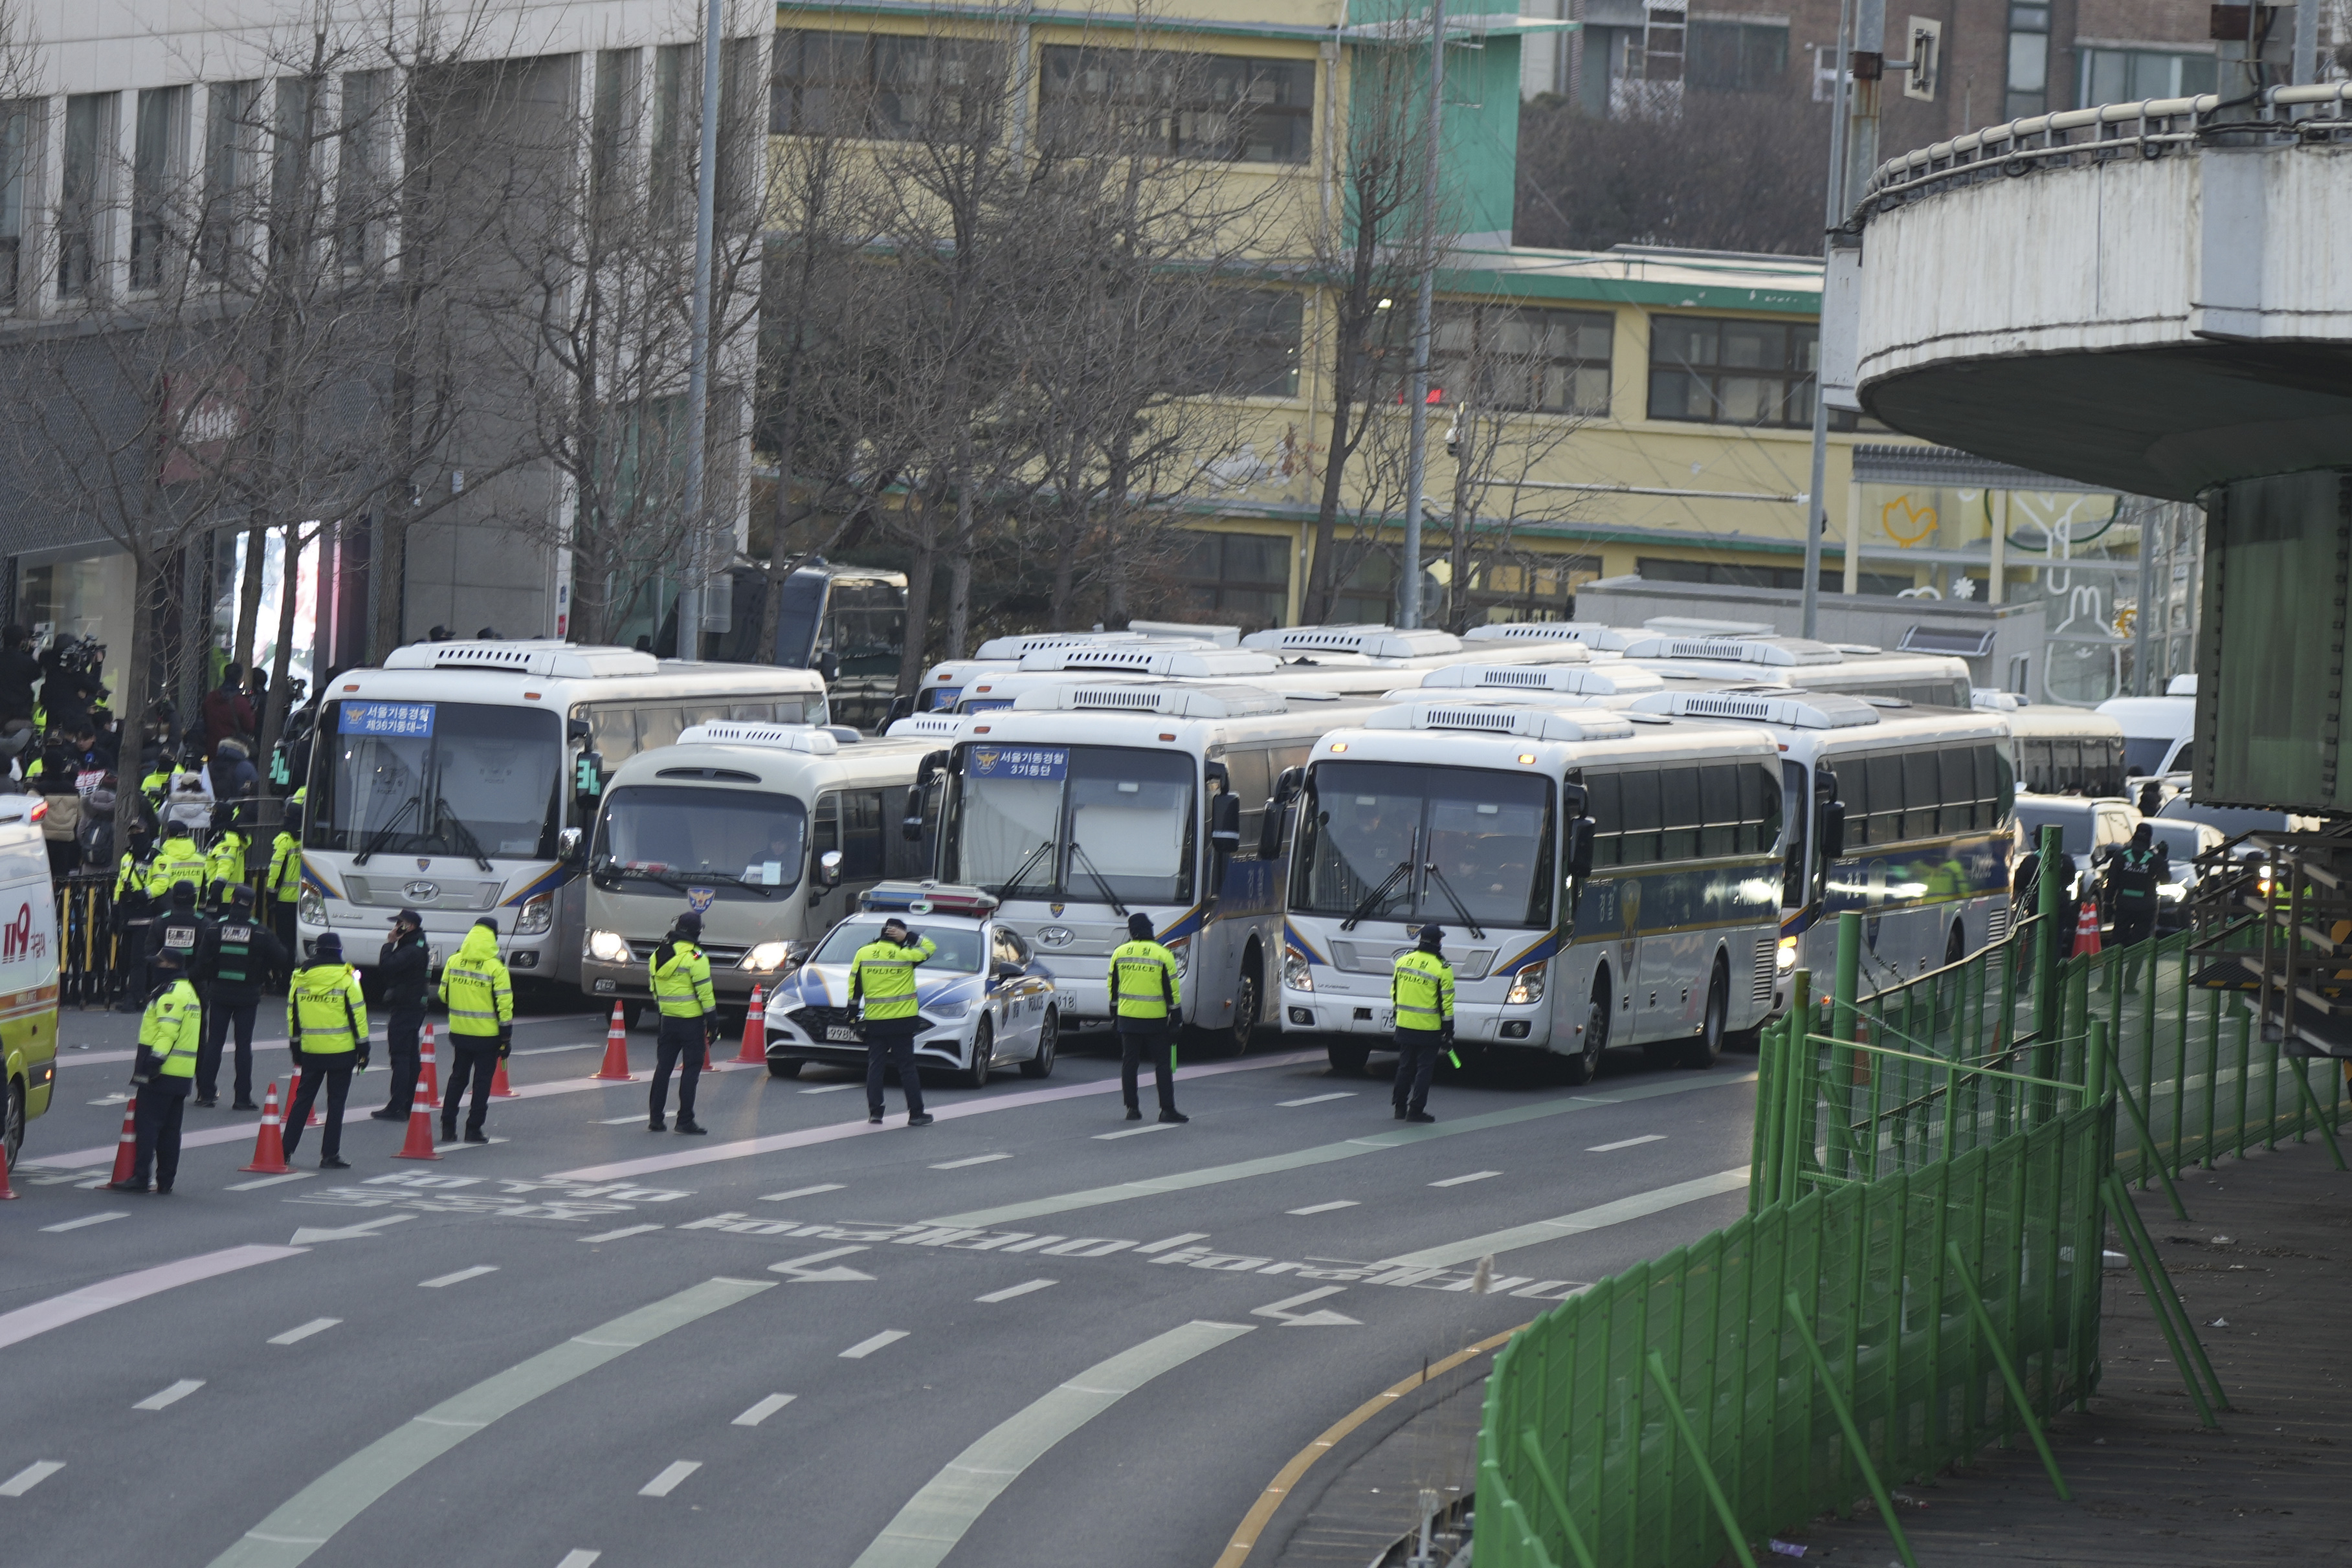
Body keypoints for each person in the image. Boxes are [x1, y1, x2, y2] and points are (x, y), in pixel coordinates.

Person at [107, 946, 201, 1194]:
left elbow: (167, 1030)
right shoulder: (189, 992)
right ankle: (166, 1181)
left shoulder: (170, 994)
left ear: (169, 966)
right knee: (171, 1129)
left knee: (147, 1125)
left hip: (162, 1071)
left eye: (158, 963)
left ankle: (141, 1178)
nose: (153, 968)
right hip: (182, 1072)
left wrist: (154, 1060)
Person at [283, 931, 368, 1169]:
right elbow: (358, 1015)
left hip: (311, 1050)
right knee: (337, 1102)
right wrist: (364, 1048)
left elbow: (293, 1015)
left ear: (316, 951)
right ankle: (330, 1155)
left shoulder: (300, 978)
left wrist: (295, 1044)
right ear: (339, 951)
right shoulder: (347, 979)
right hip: (342, 1051)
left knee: (302, 1100)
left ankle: (284, 1150)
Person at [197, 884, 283, 1111]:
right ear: (254, 905)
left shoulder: (216, 928)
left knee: (214, 1042)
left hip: (219, 992)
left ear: (232, 900)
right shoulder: (262, 932)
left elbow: (202, 961)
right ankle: (242, 1098)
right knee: (243, 1046)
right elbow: (282, 957)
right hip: (248, 995)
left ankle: (206, 1094)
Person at [851, 914, 935, 1127]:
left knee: (875, 1066)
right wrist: (908, 936)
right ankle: (916, 1114)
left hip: (876, 1021)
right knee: (907, 1067)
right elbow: (930, 947)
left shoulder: (864, 952)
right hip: (902, 1021)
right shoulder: (907, 954)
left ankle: (875, 1113)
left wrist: (852, 1013)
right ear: (898, 935)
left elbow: (855, 985)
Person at [1109, 911, 1188, 1124]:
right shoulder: (1163, 954)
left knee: (1129, 1062)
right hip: (1155, 1019)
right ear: (1150, 930)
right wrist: (1177, 1019)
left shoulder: (1120, 953)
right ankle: (1167, 1110)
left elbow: (1113, 988)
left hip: (1127, 1017)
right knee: (1162, 1064)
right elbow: (1172, 991)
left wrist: (1114, 1018)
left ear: (1131, 931)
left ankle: (1132, 1109)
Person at [438, 919, 511, 1143]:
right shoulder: (496, 968)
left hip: (459, 1033)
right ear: (492, 937)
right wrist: (506, 1038)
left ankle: (448, 1128)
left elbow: (443, 995)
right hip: (487, 1037)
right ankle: (473, 1129)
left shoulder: (453, 961)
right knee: (481, 1083)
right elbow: (505, 1006)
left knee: (457, 1078)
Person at [647, 911, 716, 1135]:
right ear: (697, 931)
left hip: (667, 1020)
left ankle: (656, 1119)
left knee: (663, 1068)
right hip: (691, 1023)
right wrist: (713, 1021)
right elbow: (705, 992)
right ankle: (685, 1120)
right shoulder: (696, 957)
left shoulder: (658, 953)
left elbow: (654, 988)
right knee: (691, 1070)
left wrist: (664, 1010)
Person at [370, 909, 432, 1121]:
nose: (396, 928)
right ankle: (408, 1103)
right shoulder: (415, 945)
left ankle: (398, 1105)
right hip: (412, 1004)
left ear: (411, 926)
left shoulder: (412, 949)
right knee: (410, 1056)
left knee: (401, 1057)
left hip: (407, 1005)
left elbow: (387, 967)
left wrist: (389, 943)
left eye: (400, 924)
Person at [1390, 923, 1455, 1124]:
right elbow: (1447, 1003)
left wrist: (1398, 1015)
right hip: (1429, 1027)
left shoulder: (1402, 961)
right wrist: (1448, 1030)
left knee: (1405, 1067)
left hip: (1404, 1023)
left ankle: (1399, 1108)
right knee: (1424, 1069)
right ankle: (1416, 1110)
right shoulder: (1442, 968)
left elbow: (1394, 992)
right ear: (1438, 942)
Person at [2105, 822, 2168, 984]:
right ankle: (2130, 984)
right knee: (2139, 946)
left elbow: (2111, 882)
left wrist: (2107, 903)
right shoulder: (2154, 859)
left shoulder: (2121, 856)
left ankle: (2108, 982)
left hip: (2124, 905)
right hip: (2146, 907)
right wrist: (2163, 857)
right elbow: (2166, 880)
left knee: (2116, 942)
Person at [266, 802, 303, 971]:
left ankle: (284, 978)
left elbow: (276, 869)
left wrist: (270, 894)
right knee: (297, 939)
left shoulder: (284, 840)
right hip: (303, 899)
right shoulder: (306, 838)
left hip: (284, 899)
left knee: (284, 941)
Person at [144, 817, 208, 902]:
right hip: (192, 910)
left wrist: (140, 895)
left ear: (168, 835)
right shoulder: (202, 859)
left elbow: (159, 887)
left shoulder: (162, 859)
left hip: (168, 911)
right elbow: (205, 888)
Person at [201, 662, 256, 753]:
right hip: (233, 751)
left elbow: (205, 718)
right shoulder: (241, 702)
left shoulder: (211, 698)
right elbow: (249, 726)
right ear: (240, 679)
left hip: (212, 749)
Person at [205, 801, 254, 900]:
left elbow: (225, 866)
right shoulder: (221, 834)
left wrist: (216, 890)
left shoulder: (227, 839)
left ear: (221, 816)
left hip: (223, 896)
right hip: (226, 895)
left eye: (214, 813)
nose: (211, 817)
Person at [0, 624, 41, 727]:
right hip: (21, 711)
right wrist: (28, 654)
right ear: (21, 641)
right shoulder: (26, 661)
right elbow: (37, 674)